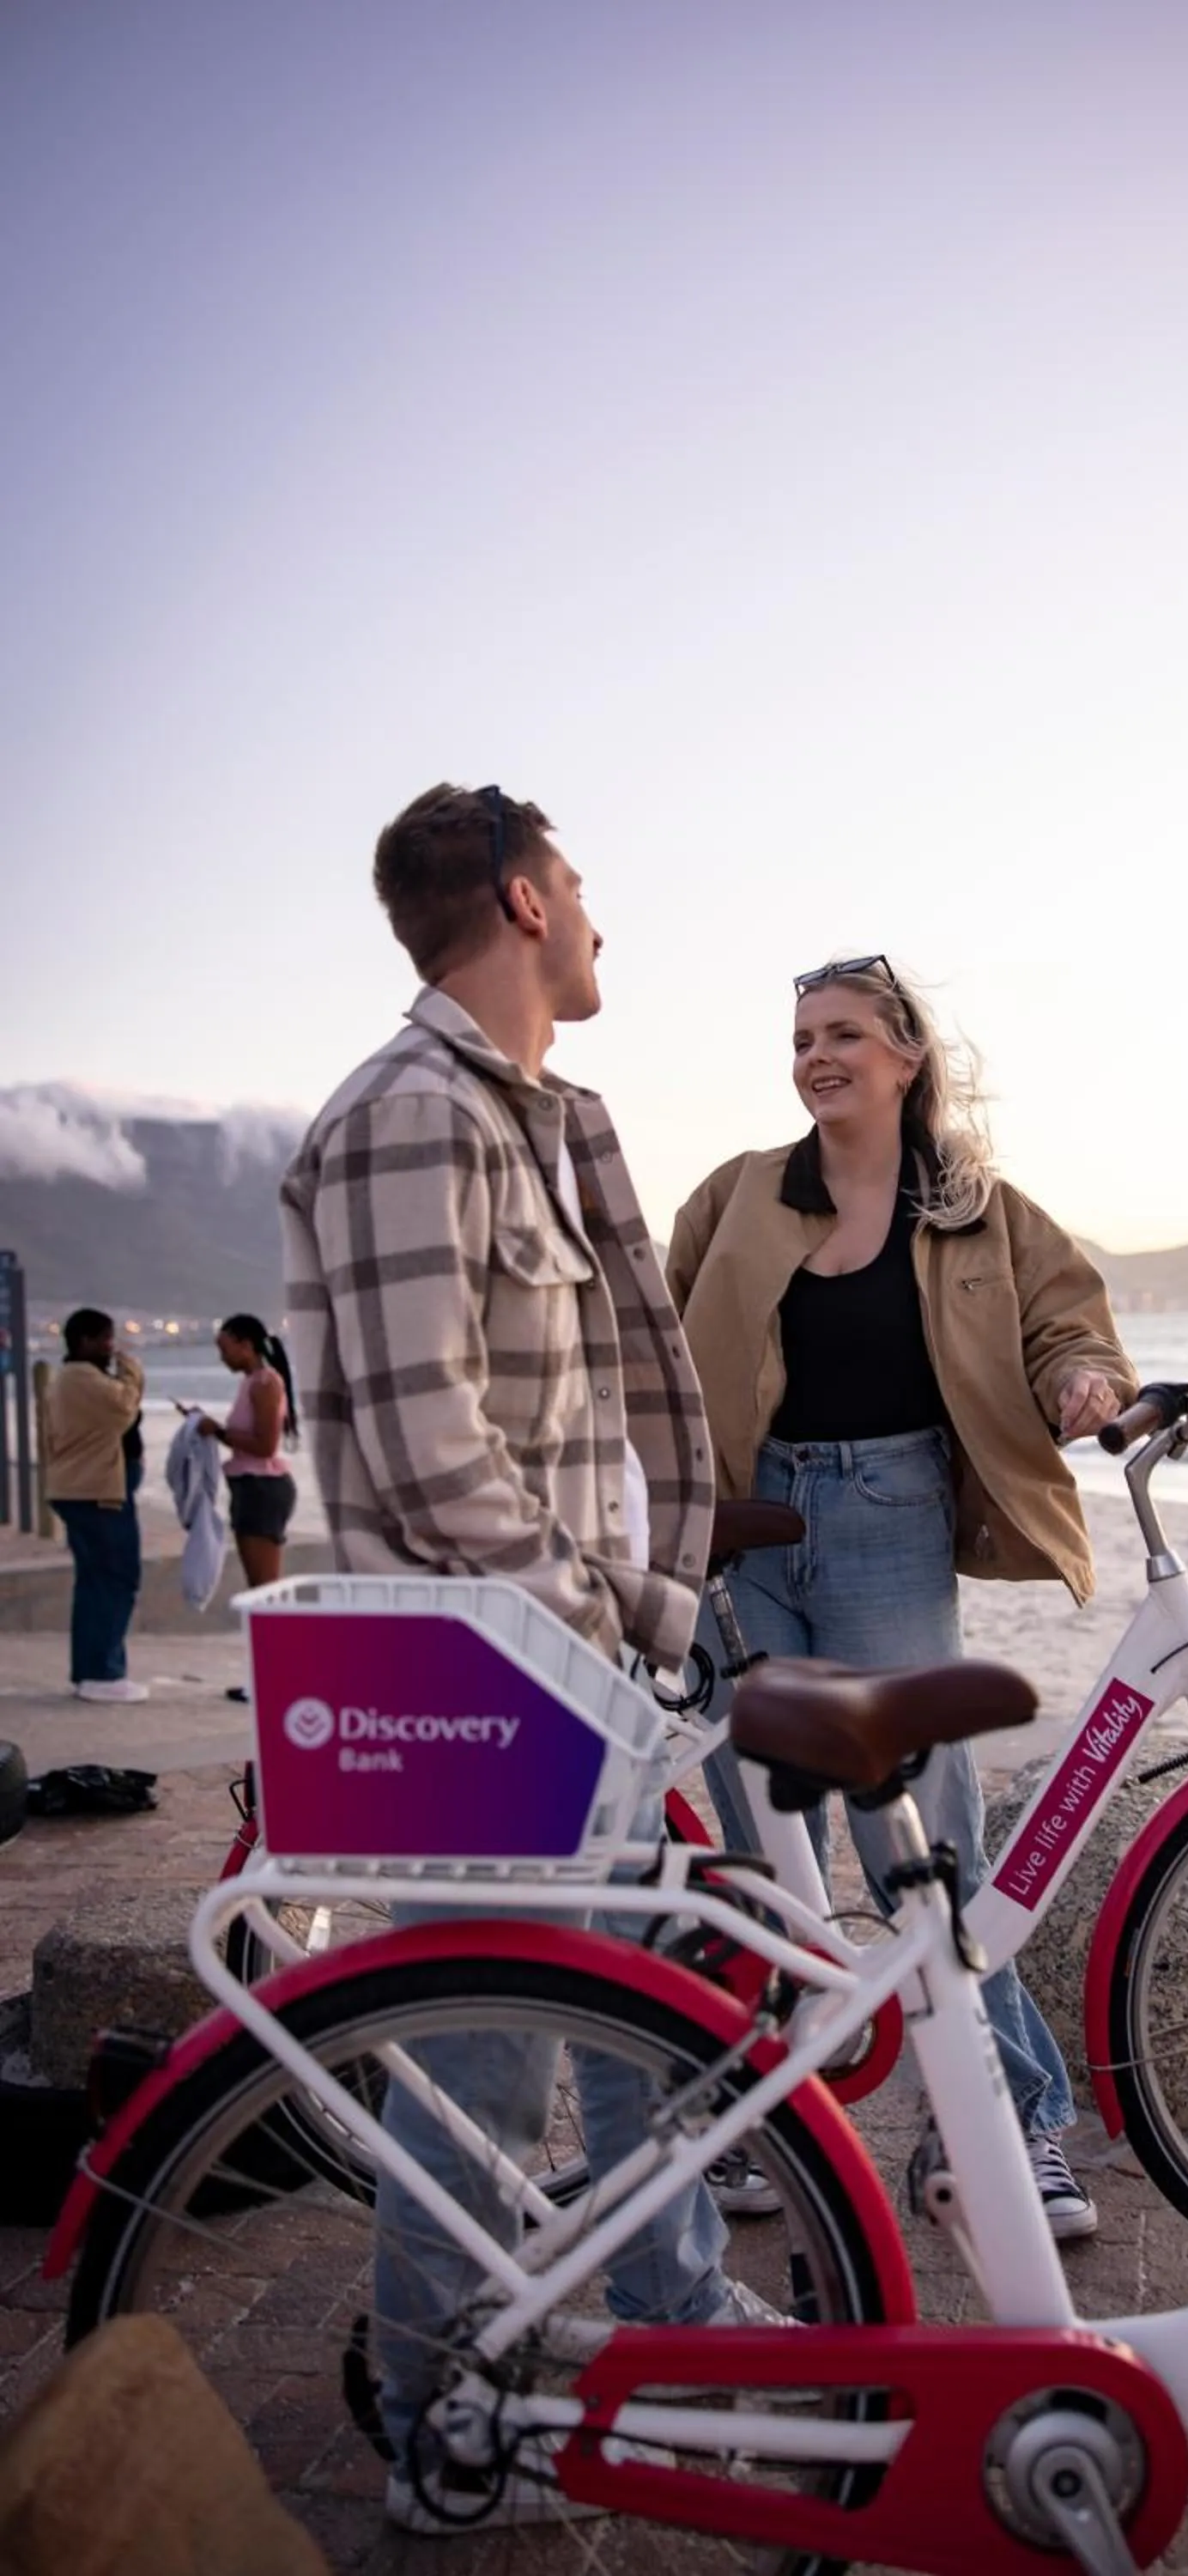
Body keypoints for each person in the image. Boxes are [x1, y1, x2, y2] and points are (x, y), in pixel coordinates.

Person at [281, 782, 763, 2532]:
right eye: (582, 883)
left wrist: (643, 1612)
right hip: (492, 1680)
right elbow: (429, 1457)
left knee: (646, 2029)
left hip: (576, 1670)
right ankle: (441, 2431)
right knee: (483, 2068)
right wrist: (624, 1611)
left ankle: (681, 2332)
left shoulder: (533, 1116)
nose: (603, 918)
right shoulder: (411, 1119)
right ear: (520, 898)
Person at [667, 953, 1136, 2243]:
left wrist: (1084, 1384)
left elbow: (1070, 1327)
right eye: (804, 1036)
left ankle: (1008, 2117)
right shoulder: (737, 1195)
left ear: (907, 1054)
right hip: (743, 1537)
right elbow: (657, 1351)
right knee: (767, 1857)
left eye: (846, 1035)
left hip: (893, 1525)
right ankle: (756, 2126)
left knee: (924, 1844)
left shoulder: (982, 1207)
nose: (819, 1056)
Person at [42, 1309, 149, 1704]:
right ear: (84, 1341)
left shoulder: (69, 1379)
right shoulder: (82, 1378)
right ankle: (103, 1673)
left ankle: (91, 1671)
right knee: (115, 1579)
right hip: (96, 1494)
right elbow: (125, 1406)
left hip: (82, 1489)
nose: (112, 1347)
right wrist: (132, 1368)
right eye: (106, 1339)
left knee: (94, 1582)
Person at [191, 1313, 300, 1589]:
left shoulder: (265, 1384)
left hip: (261, 1488)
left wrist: (217, 1431)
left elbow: (265, 1446)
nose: (222, 1357)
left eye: (225, 1350)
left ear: (246, 1345)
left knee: (264, 1587)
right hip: (251, 1486)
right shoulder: (253, 1382)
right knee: (260, 1584)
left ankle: (275, 1632)